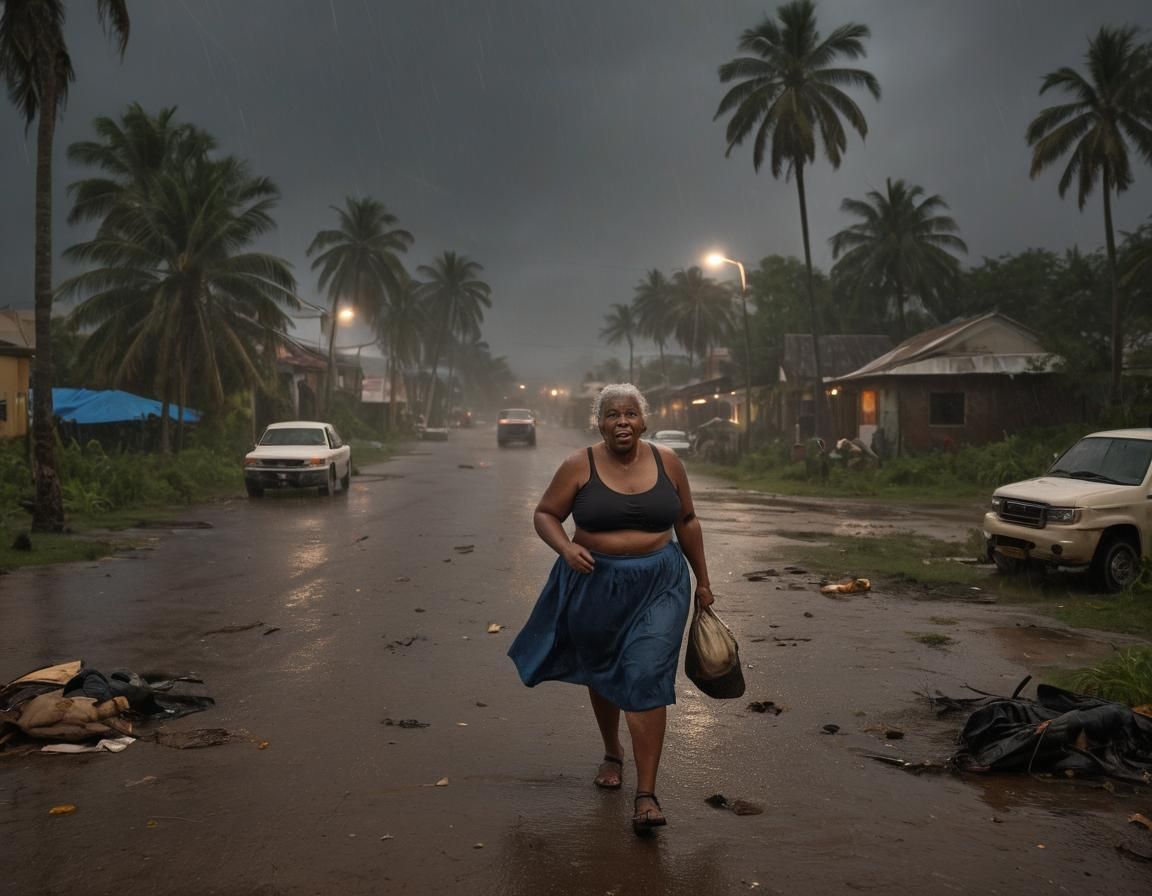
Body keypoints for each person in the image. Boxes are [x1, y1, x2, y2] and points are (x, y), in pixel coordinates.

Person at [508, 383, 714, 835]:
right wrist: (564, 548)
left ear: (644, 420)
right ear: (599, 423)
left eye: (630, 414)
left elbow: (687, 520)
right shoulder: (577, 465)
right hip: (595, 582)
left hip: (661, 581)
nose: (622, 422)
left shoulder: (668, 463)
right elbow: (545, 514)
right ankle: (611, 751)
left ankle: (646, 794)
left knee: (645, 673)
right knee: (602, 669)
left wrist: (703, 579)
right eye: (612, 415)